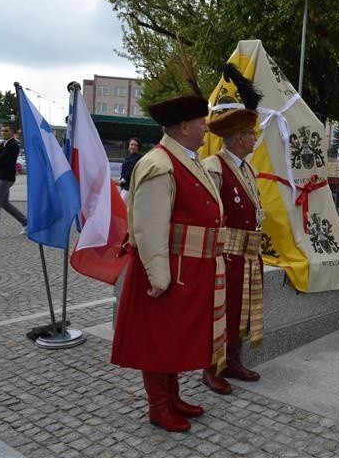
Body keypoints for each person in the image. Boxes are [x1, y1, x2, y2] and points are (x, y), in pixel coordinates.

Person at [110, 93, 226, 432]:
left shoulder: (186, 158)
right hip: (166, 270)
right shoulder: (159, 164)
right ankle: (158, 406)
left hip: (186, 268)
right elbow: (148, 227)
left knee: (172, 338)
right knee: (158, 340)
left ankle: (172, 397)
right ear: (184, 126)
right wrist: (159, 277)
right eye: (201, 122)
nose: (206, 128)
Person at [201, 63, 265, 394]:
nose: (255, 138)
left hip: (248, 253)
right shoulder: (214, 167)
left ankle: (235, 360)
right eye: (252, 134)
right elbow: (211, 214)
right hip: (226, 253)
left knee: (242, 309)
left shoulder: (246, 169)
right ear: (239, 138)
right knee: (220, 311)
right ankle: (212, 368)